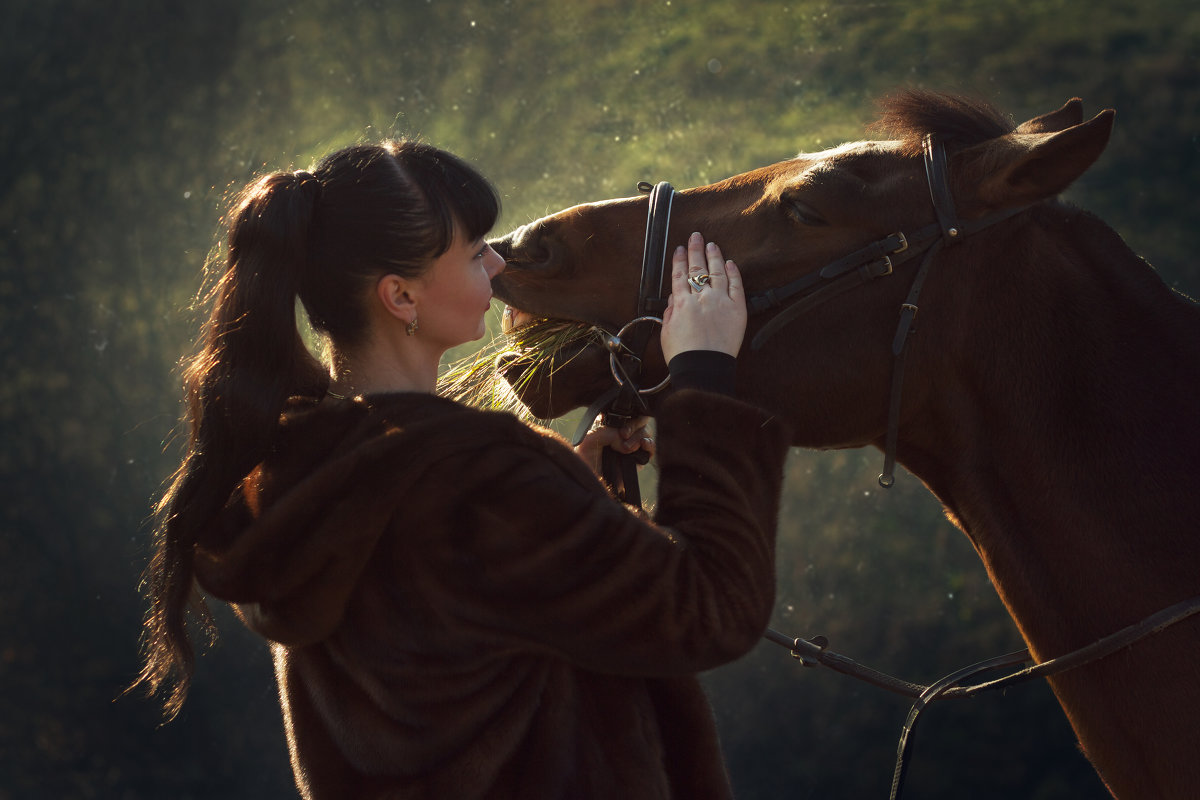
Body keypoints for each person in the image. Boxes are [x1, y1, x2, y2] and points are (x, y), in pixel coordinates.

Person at [132, 139, 792, 799]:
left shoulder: (296, 476)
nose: (499, 262)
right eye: (476, 253)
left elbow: (470, 634)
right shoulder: (481, 483)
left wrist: (578, 494)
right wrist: (703, 375)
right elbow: (713, 608)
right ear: (400, 296)